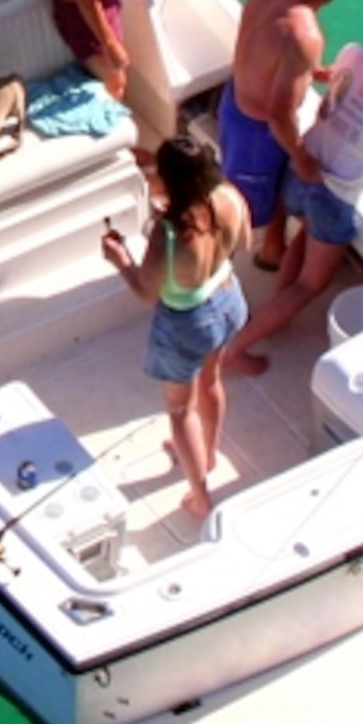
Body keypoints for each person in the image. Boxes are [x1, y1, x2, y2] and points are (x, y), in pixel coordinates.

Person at [229, 0, 363, 374]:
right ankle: (234, 350)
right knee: (310, 284)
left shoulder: (351, 53)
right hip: (336, 194)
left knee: (304, 235)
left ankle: (276, 315)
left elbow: (338, 79)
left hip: (303, 166)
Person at [100, 135, 252, 533]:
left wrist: (121, 261)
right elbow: (245, 243)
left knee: (180, 409)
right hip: (229, 299)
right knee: (212, 379)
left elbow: (146, 293)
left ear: (168, 179)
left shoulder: (167, 234)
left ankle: (201, 496)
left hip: (187, 323)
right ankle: (211, 454)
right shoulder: (229, 197)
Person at [218, 0, 362, 269]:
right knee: (239, 215)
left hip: (234, 103)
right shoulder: (306, 35)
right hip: (258, 134)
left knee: (262, 190)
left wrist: (309, 71)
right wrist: (303, 159)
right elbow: (279, 115)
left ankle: (272, 250)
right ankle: (211, 284)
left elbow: (261, 43)